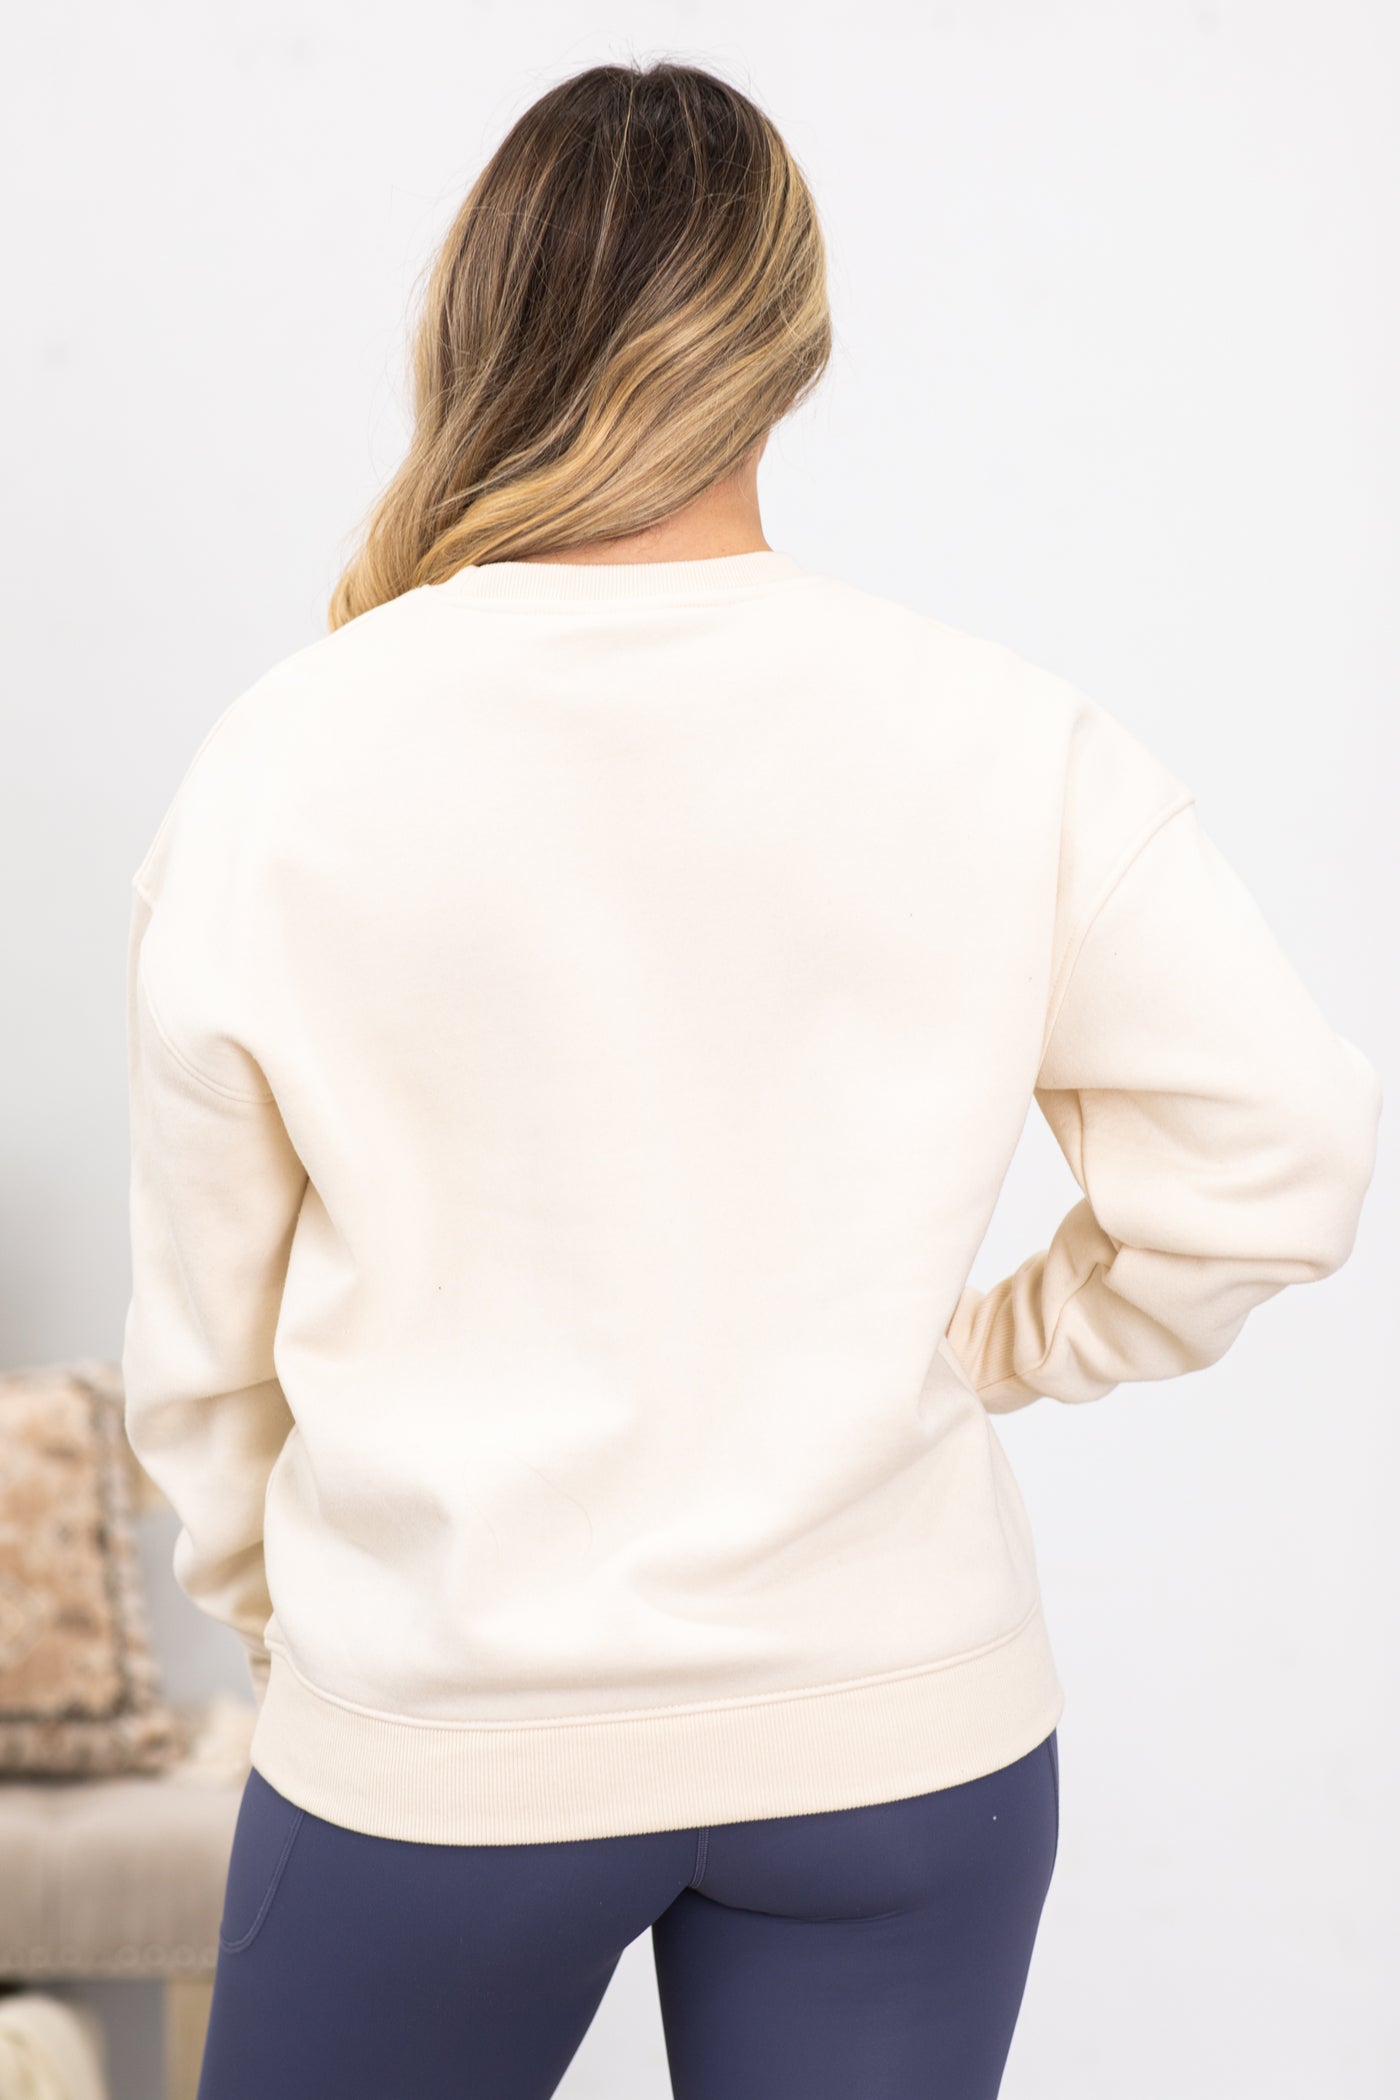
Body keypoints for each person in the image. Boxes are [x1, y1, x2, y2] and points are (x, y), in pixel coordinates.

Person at [119, 58, 1382, 2100]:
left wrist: (315, 1646)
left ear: (474, 325)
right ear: (789, 350)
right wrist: (977, 1355)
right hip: (899, 1743)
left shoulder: (290, 759)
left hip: (441, 1743)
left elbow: (200, 1355)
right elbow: (1284, 1154)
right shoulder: (1000, 737)